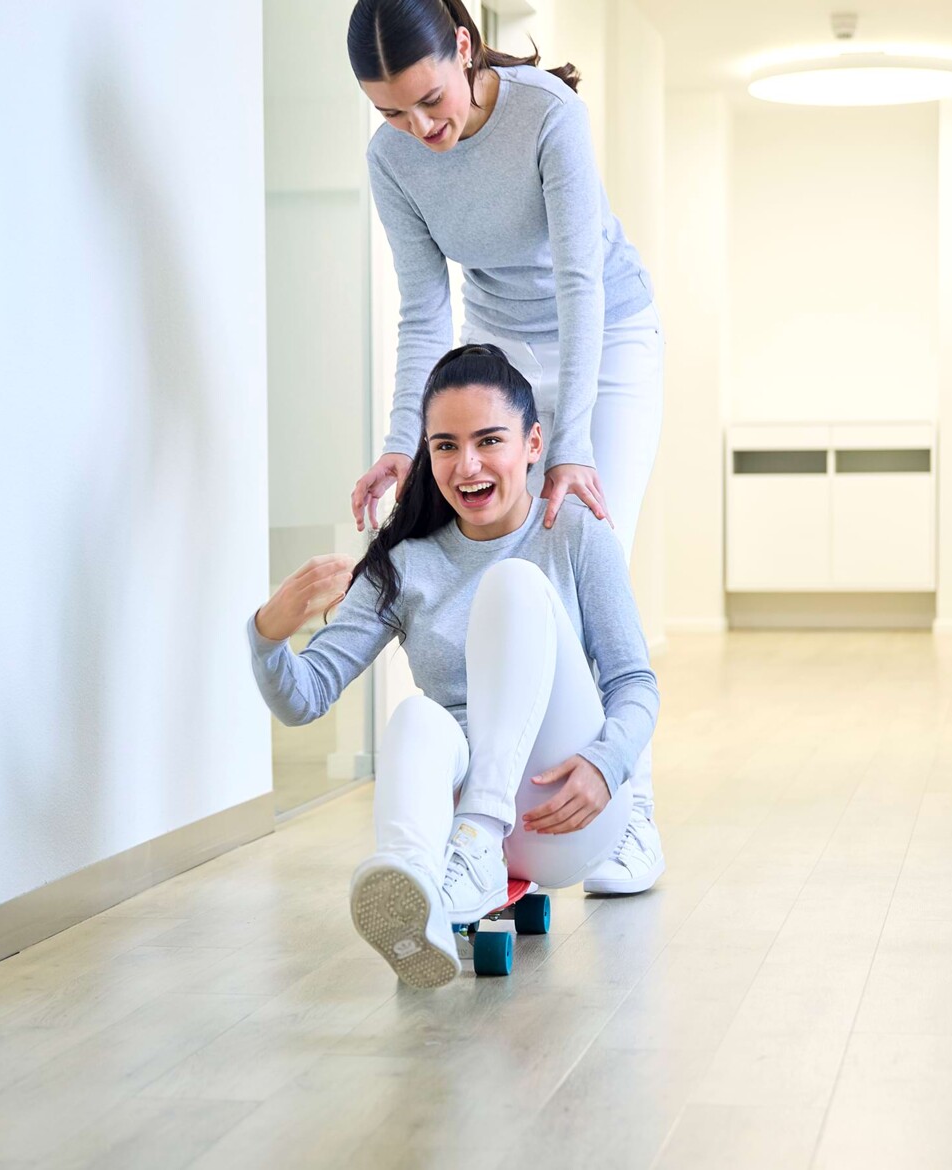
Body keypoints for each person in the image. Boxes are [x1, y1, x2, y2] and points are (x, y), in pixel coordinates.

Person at [345, 0, 665, 894]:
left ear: (463, 46)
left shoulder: (546, 115)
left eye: (430, 100)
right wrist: (402, 443)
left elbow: (578, 281)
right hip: (503, 350)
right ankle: (499, 823)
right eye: (391, 113)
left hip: (609, 337)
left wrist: (571, 447)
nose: (421, 128)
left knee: (592, 555)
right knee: (509, 577)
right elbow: (423, 309)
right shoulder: (391, 160)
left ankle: (632, 813)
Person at [248, 345, 659, 988]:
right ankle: (419, 893)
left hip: (563, 809)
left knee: (513, 585)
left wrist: (607, 765)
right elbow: (305, 699)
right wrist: (268, 633)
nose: (466, 466)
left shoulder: (574, 533)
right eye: (445, 446)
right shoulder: (405, 564)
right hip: (469, 840)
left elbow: (634, 682)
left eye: (489, 440)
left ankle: (474, 839)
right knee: (417, 716)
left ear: (533, 443)